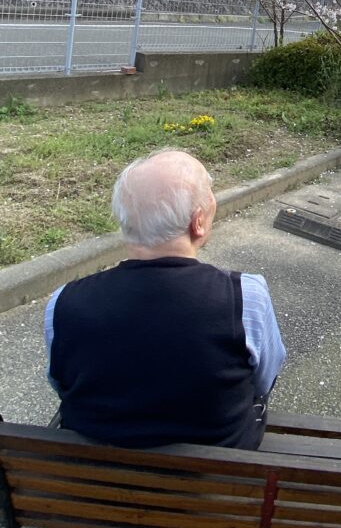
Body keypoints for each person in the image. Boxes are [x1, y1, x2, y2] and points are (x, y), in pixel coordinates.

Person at [44, 149, 285, 450]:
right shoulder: (246, 297)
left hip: (93, 471)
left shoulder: (63, 303)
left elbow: (60, 382)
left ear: (125, 222)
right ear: (198, 222)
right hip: (216, 473)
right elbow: (263, 380)